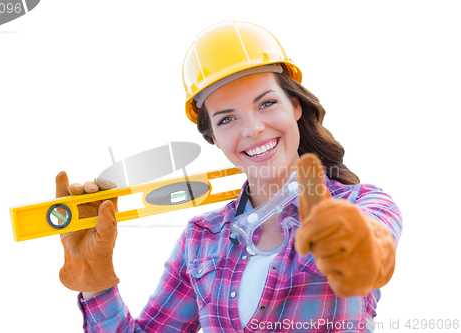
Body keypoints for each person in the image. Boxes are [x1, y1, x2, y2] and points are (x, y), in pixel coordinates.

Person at [55, 21, 402, 332]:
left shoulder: (363, 204)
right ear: (213, 138)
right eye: (226, 119)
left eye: (266, 103)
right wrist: (96, 281)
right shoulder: (201, 241)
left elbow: (374, 247)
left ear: (295, 105)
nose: (253, 128)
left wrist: (349, 242)